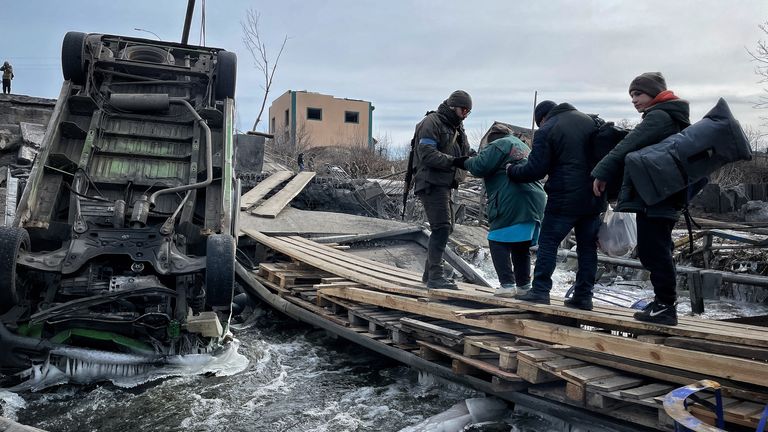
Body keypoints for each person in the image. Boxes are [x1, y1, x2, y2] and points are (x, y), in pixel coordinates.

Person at [592, 72, 690, 326]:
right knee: (658, 249)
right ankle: (662, 303)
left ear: (655, 93)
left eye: (638, 94)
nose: (634, 100)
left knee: (653, 250)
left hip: (658, 196)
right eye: (631, 95)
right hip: (663, 193)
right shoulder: (670, 116)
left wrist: (601, 172)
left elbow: (626, 147)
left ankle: (666, 307)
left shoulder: (659, 116)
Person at [506, 100, 606, 310]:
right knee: (587, 248)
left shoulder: (548, 129)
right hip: (594, 197)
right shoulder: (590, 121)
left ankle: (540, 291)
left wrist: (511, 171)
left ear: (542, 118)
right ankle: (583, 296)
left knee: (548, 242)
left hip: (564, 197)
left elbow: (536, 170)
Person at [455, 123, 546, 297]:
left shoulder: (500, 143)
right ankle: (523, 286)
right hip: (534, 199)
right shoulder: (521, 145)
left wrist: (463, 161)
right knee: (521, 245)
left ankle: (507, 285)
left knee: (497, 240)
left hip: (512, 199)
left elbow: (479, 166)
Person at [412, 90, 472, 289]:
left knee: (447, 228)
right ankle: (436, 276)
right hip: (431, 182)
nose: (465, 114)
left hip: (445, 184)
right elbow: (426, 153)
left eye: (468, 111)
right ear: (453, 106)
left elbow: (466, 153)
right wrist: (454, 162)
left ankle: (430, 274)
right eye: (463, 109)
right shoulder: (432, 122)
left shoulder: (458, 127)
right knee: (442, 227)